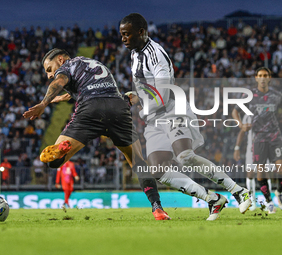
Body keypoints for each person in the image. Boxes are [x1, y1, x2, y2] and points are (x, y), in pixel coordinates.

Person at [120, 13, 252, 218]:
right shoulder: (135, 53)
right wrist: (136, 96)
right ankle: (213, 199)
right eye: (121, 35)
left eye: (127, 34)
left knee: (185, 156)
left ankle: (239, 191)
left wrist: (141, 106)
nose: (123, 39)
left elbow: (162, 95)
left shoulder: (156, 55)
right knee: (157, 170)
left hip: (172, 109)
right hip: (154, 118)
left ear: (141, 32)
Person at [23, 48, 169, 220]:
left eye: (49, 69)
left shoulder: (66, 66)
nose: (49, 75)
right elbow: (86, 86)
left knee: (53, 160)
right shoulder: (91, 63)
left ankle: (64, 146)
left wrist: (43, 103)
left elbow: (59, 81)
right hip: (118, 108)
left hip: (90, 110)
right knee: (138, 163)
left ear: (61, 60)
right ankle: (157, 208)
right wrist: (62, 98)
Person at [232, 67, 282, 212]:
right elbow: (235, 111)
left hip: (275, 137)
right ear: (256, 78)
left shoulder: (277, 95)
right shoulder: (250, 95)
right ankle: (268, 201)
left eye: (265, 75)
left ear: (269, 77)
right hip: (258, 138)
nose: (263, 78)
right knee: (260, 171)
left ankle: (279, 192)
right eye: (260, 75)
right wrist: (241, 124)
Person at [233, 114, 273, 211]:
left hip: (265, 147)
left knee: (265, 173)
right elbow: (242, 131)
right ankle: (252, 201)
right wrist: (237, 147)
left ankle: (268, 202)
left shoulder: (269, 112)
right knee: (250, 173)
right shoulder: (248, 116)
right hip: (252, 149)